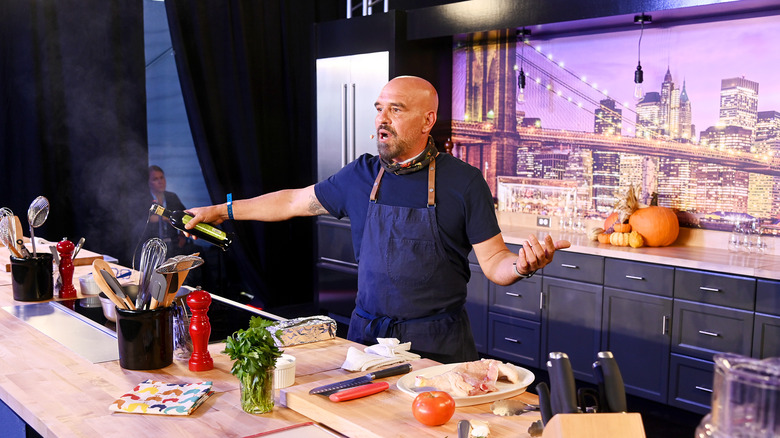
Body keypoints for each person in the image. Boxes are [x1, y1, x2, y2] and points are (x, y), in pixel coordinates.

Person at [185, 76, 571, 363]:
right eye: (379, 108)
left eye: (396, 109)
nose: (381, 119)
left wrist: (522, 265)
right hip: (366, 341)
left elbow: (494, 262)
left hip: (436, 346)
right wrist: (221, 210)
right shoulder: (361, 175)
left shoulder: (464, 182)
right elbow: (293, 202)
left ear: (427, 120)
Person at [145, 165, 191, 257]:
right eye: (155, 179)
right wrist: (164, 218)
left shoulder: (172, 196)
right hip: (153, 245)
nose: (160, 182)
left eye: (162, 178)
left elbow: (184, 216)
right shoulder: (144, 199)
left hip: (174, 243)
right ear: (149, 183)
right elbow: (145, 219)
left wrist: (182, 236)